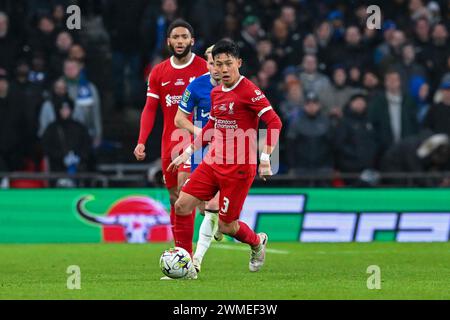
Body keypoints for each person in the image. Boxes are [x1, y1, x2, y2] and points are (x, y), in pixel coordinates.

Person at [168, 39, 282, 279]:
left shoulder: (249, 91)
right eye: (218, 64)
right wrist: (187, 153)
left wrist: (265, 157)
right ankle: (185, 265)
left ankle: (257, 242)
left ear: (238, 63)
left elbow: (274, 121)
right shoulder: (216, 92)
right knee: (181, 205)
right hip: (213, 163)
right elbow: (212, 126)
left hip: (239, 168)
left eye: (228, 64)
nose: (223, 69)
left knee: (227, 226)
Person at [133, 19, 208, 255]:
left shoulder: (205, 69)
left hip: (196, 142)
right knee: (175, 198)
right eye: (175, 37)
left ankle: (187, 251)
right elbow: (150, 109)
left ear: (192, 41)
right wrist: (142, 141)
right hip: (169, 143)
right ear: (168, 41)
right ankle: (182, 251)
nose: (180, 41)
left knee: (186, 193)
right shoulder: (159, 72)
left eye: (184, 37)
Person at [174, 45, 222, 272]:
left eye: (219, 63)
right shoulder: (196, 86)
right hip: (201, 150)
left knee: (212, 206)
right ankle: (229, 226)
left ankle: (196, 260)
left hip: (230, 152)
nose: (215, 68)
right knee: (204, 209)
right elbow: (179, 120)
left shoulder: (237, 85)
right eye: (211, 63)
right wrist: (202, 134)